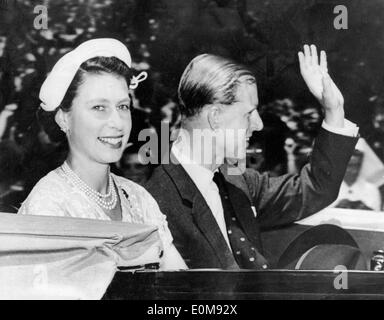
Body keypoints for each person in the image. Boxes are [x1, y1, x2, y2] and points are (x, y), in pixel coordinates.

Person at [144, 45, 360, 269]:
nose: (259, 124)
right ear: (215, 117)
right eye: (248, 114)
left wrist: (334, 110)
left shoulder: (237, 180)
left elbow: (316, 187)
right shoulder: (151, 199)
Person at [18, 38, 187, 270]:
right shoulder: (48, 206)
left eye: (123, 106)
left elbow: (182, 286)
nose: (117, 123)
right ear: (63, 118)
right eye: (99, 107)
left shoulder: (138, 197)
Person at [332, 139, 382, 211]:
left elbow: (375, 219)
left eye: (357, 165)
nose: (354, 171)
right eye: (350, 165)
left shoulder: (372, 190)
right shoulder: (327, 189)